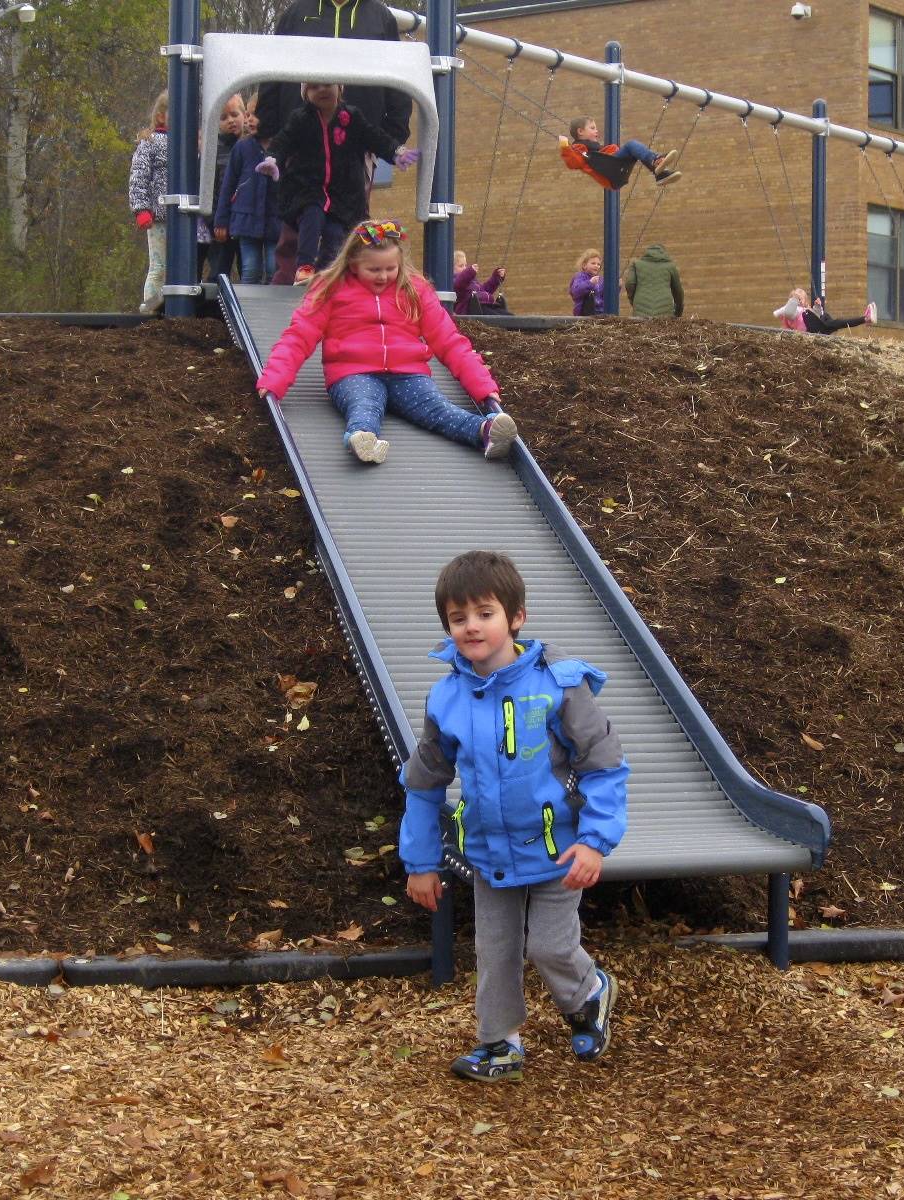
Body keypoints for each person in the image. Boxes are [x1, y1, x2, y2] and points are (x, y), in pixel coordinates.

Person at [399, 550, 629, 1083]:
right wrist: (420, 861)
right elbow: (423, 782)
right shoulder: (448, 698)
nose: (471, 626)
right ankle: (499, 1043)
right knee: (495, 950)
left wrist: (596, 841)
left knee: (549, 945)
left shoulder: (559, 684)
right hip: (490, 850)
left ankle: (588, 992)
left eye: (485, 612)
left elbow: (604, 764)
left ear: (515, 617)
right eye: (458, 618)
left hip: (558, 849)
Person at [255, 220, 516, 465]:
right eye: (374, 270)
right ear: (353, 265)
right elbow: (299, 336)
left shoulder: (414, 289)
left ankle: (485, 430)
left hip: (408, 373)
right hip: (353, 372)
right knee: (363, 403)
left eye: (391, 269)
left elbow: (449, 340)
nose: (383, 276)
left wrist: (482, 386)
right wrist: (274, 381)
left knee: (437, 409)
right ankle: (362, 438)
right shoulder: (332, 289)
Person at [255, 0, 412, 285]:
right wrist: (268, 129)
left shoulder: (379, 17)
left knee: (349, 215)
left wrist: (394, 132)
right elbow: (271, 68)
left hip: (357, 138)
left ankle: (342, 282)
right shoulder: (296, 14)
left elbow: (398, 76)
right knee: (300, 211)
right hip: (302, 135)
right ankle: (291, 280)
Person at [263, 82, 420, 283]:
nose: (322, 90)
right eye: (314, 87)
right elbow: (282, 141)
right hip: (309, 186)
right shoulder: (300, 118)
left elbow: (374, 136)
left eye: (328, 85)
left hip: (342, 190)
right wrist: (272, 158)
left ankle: (327, 274)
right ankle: (304, 267)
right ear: (305, 94)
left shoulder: (351, 117)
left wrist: (395, 151)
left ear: (340, 89)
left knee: (337, 232)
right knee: (311, 217)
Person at [213, 110, 281, 285]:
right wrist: (221, 220)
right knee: (250, 269)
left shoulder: (282, 146)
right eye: (248, 114)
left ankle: (272, 309)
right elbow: (228, 185)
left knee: (275, 269)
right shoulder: (242, 147)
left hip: (276, 220)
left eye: (255, 115)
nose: (249, 119)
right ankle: (247, 310)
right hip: (246, 220)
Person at [127, 91, 169, 314]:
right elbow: (139, 176)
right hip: (159, 216)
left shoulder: (188, 143)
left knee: (179, 267)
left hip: (183, 216)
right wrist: (141, 209)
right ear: (161, 116)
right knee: (159, 265)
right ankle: (151, 308)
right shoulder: (150, 142)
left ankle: (170, 306)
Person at [200, 92, 246, 288]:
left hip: (246, 222)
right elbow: (209, 189)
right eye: (224, 118)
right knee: (220, 268)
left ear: (244, 115)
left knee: (248, 267)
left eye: (235, 115)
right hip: (222, 223)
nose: (231, 121)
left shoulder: (251, 147)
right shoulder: (213, 150)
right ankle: (213, 310)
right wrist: (215, 220)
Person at [559, 116, 682, 190]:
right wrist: (565, 147)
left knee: (634, 150)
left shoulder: (593, 148)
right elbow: (574, 163)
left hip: (614, 168)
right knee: (631, 145)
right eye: (592, 128)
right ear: (580, 131)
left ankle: (660, 174)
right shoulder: (578, 148)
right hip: (610, 169)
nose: (596, 131)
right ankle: (655, 160)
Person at [774, 287, 877, 334]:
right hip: (813, 330)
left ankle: (865, 319)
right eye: (795, 298)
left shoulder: (806, 311)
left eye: (800, 299)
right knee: (836, 323)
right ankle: (865, 319)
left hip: (816, 325)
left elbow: (816, 317)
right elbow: (785, 328)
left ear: (805, 301)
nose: (798, 301)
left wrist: (817, 307)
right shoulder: (788, 314)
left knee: (837, 322)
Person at [624, 243, 684, 319]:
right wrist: (678, 312)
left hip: (641, 313)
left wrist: (634, 301)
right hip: (665, 313)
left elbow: (629, 284)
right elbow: (678, 292)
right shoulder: (670, 266)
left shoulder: (637, 264)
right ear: (664, 253)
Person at [453, 250, 506, 315]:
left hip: (487, 305)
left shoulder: (472, 281)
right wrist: (469, 272)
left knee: (510, 317)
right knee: (500, 318)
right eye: (461, 266)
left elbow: (485, 289)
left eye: (465, 265)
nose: (464, 268)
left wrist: (496, 278)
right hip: (475, 309)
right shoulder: (455, 281)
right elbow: (459, 283)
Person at [570, 249, 606, 317]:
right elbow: (576, 291)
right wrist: (590, 283)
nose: (596, 266)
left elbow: (606, 294)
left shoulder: (600, 280)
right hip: (584, 313)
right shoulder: (580, 276)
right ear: (584, 265)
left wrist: (617, 287)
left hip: (600, 312)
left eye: (598, 264)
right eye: (593, 263)